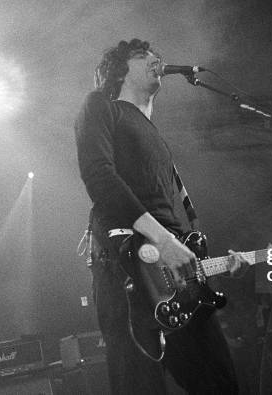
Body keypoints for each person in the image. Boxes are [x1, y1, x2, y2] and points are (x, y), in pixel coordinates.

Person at [74, 38, 242, 394]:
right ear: (119, 70)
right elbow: (99, 176)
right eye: (141, 55)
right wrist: (163, 241)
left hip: (179, 274)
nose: (155, 58)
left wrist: (191, 254)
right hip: (129, 267)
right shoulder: (103, 107)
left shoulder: (154, 134)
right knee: (140, 383)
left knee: (220, 383)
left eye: (155, 54)